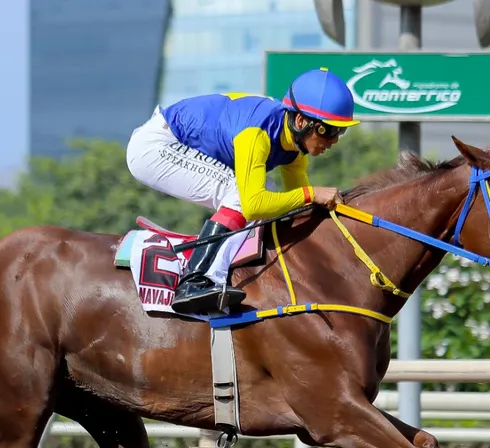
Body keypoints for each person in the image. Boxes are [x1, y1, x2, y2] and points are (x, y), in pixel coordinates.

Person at [125, 67, 359, 315]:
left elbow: (297, 207)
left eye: (340, 132)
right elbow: (254, 205)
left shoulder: (294, 148)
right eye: (329, 130)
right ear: (301, 121)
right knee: (243, 196)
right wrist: (312, 194)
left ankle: (216, 273)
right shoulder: (257, 134)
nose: (333, 141)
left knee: (270, 193)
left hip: (173, 143)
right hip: (155, 147)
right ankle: (196, 280)